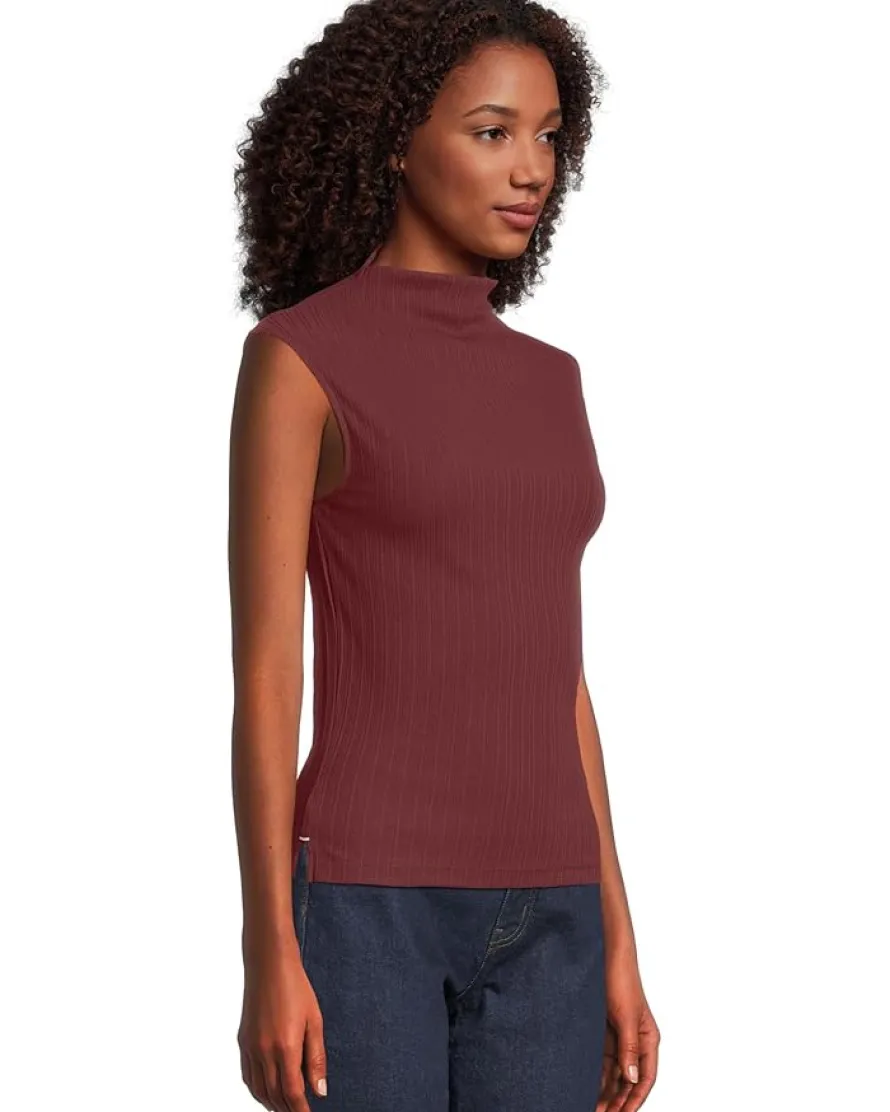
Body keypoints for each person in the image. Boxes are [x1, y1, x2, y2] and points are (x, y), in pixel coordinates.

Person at [228, 2, 660, 1109]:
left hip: (555, 908)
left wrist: (619, 935)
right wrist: (269, 946)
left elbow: (557, 676)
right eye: (491, 132)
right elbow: (269, 676)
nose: (532, 169)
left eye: (549, 136)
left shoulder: (551, 380)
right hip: (369, 901)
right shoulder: (299, 359)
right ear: (394, 141)